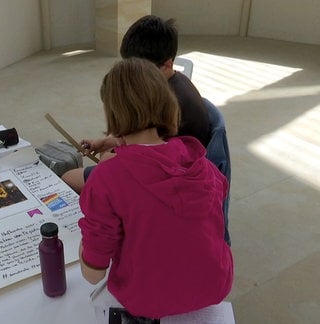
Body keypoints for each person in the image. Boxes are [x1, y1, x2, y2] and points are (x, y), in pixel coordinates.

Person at [78, 58, 233, 320]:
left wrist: (86, 242)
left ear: (112, 113)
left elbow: (93, 274)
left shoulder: (106, 180)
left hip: (145, 300)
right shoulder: (199, 160)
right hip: (216, 285)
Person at [61, 15, 210, 193]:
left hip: (167, 182)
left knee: (68, 178)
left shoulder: (166, 104)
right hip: (172, 165)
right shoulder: (172, 86)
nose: (133, 76)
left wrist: (109, 158)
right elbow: (147, 138)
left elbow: (151, 163)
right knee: (106, 153)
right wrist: (108, 142)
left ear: (166, 65)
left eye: (141, 69)